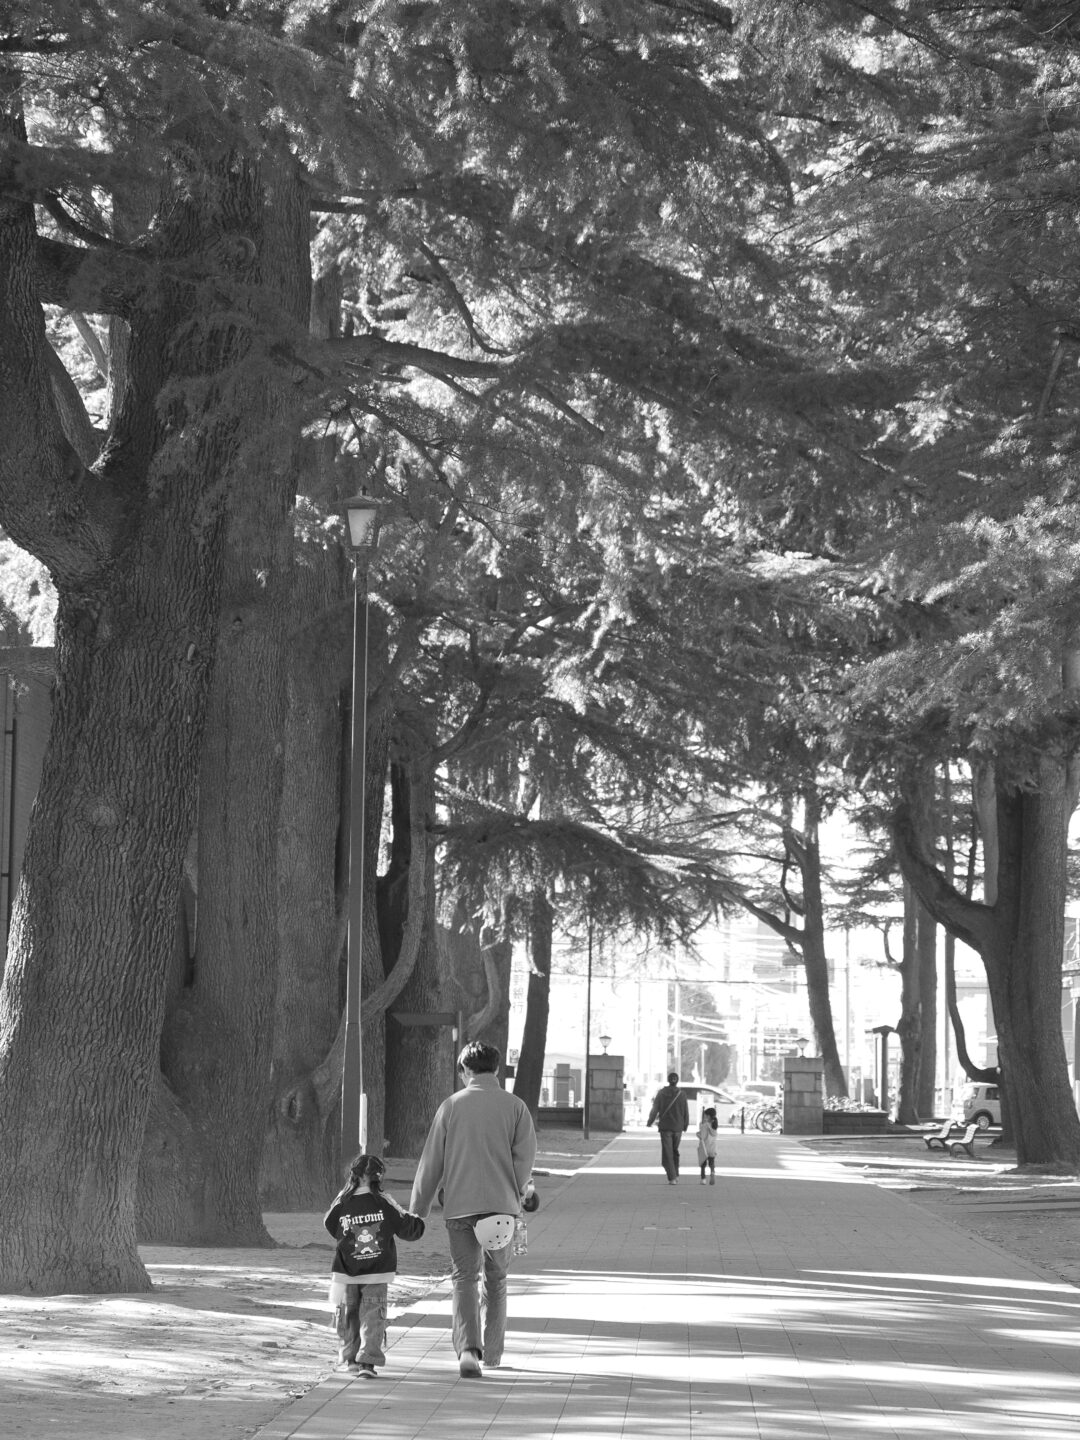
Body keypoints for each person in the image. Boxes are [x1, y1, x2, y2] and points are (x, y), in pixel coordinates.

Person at [410, 1040, 537, 1379]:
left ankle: (468, 1349)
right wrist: (518, 1192)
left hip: (460, 1205)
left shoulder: (451, 1106)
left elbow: (431, 1161)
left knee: (464, 1278)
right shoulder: (516, 1107)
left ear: (465, 1070)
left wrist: (418, 1209)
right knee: (497, 1278)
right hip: (502, 1208)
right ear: (497, 1069)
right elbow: (524, 1160)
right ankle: (492, 1352)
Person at [324, 1152, 425, 1379]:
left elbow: (329, 1223)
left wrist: (346, 1240)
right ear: (377, 1177)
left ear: (355, 1175)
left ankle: (351, 1358)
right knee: (373, 1315)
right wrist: (419, 1223)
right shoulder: (383, 1201)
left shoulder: (343, 1200)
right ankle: (367, 1362)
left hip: (347, 1269)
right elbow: (405, 1225)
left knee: (350, 1314)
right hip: (377, 1270)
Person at [646, 1071, 689, 1184]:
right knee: (674, 1151)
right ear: (677, 1081)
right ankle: (676, 1173)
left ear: (668, 1080)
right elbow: (685, 1111)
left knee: (667, 1153)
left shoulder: (661, 1093)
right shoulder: (682, 1094)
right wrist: (685, 1125)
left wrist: (650, 1121)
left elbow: (655, 1109)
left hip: (665, 1127)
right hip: (678, 1128)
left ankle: (672, 1177)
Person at [697, 1105, 719, 1185]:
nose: (704, 1117)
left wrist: (697, 1134)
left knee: (703, 1164)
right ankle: (712, 1172)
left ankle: (703, 1179)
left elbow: (702, 1137)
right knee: (711, 1162)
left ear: (708, 1116)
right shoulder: (714, 1125)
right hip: (713, 1148)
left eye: (705, 1115)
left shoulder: (705, 1125)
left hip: (705, 1147)